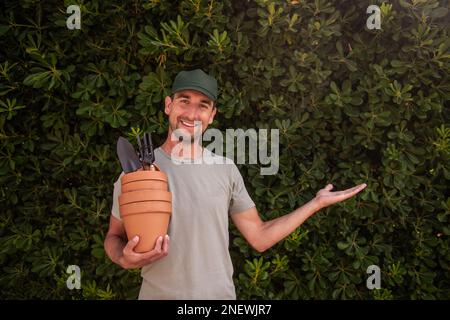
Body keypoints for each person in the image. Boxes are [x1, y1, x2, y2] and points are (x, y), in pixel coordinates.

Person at [104, 69, 367, 299]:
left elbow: (260, 237)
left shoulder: (225, 169)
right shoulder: (136, 174)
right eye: (184, 101)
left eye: (203, 105)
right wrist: (123, 258)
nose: (192, 113)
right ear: (168, 105)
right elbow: (114, 237)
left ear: (212, 115)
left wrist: (316, 203)